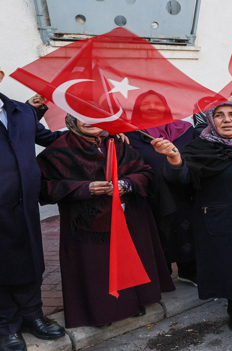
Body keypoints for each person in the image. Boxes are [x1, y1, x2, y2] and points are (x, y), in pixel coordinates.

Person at [36, 114, 175, 329]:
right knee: (96, 269)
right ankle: (101, 313)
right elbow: (42, 188)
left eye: (96, 116)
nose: (90, 121)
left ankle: (133, 304)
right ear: (71, 121)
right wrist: (83, 188)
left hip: (128, 216)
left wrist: (125, 184)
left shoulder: (117, 143)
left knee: (128, 263)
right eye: (80, 117)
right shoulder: (57, 150)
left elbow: (144, 173)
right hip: (86, 223)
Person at [154, 101, 232, 333]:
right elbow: (181, 178)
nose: (227, 120)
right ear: (211, 120)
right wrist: (174, 160)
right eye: (219, 115)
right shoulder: (199, 147)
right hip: (223, 221)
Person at [0, 69, 66, 351]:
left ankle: (32, 315)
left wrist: (98, 132)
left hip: (25, 206)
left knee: (30, 261)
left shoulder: (22, 112)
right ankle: (6, 325)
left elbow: (51, 139)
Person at [124, 91, 198, 286]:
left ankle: (188, 272)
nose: (152, 107)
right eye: (145, 104)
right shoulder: (129, 134)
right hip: (150, 196)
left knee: (186, 231)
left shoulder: (186, 130)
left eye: (157, 103)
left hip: (183, 191)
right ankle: (163, 276)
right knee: (157, 234)